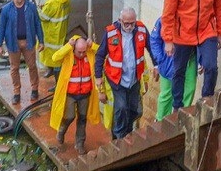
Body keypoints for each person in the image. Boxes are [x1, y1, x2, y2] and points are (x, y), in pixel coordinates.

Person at [161, 0, 221, 112]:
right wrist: (168, 40)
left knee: (211, 66)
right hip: (182, 32)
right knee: (179, 71)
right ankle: (177, 106)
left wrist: (220, 32)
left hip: (207, 31)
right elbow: (168, 11)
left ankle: (206, 100)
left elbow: (220, 7)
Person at [94, 8, 156, 140]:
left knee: (136, 110)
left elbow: (151, 48)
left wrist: (156, 65)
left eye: (132, 23)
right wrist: (98, 77)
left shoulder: (141, 30)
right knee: (121, 108)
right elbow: (100, 55)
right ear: (120, 20)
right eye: (126, 23)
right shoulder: (110, 33)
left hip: (134, 79)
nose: (130, 27)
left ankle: (127, 131)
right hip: (117, 80)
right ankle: (118, 137)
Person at [49, 36, 101, 155]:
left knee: (82, 119)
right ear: (74, 49)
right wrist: (68, 46)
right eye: (79, 52)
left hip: (85, 94)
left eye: (84, 51)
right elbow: (55, 58)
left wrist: (92, 45)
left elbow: (104, 52)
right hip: (70, 94)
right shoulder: (68, 55)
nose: (82, 54)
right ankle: (61, 131)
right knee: (69, 116)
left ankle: (80, 143)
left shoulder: (90, 54)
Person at [0, 0, 44, 105]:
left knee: (32, 66)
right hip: (13, 42)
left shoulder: (31, 7)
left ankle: (34, 89)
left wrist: (41, 41)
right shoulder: (6, 9)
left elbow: (38, 24)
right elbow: (1, 27)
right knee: (14, 68)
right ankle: (16, 92)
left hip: (29, 42)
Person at [150, 18, 198, 120]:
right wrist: (161, 60)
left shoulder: (194, 16)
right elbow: (154, 40)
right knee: (167, 94)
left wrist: (202, 60)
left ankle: (181, 119)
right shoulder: (163, 20)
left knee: (189, 90)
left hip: (190, 60)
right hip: (169, 61)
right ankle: (160, 120)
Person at [38, 0, 71, 80]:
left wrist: (39, 10)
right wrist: (46, 7)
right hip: (61, 30)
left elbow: (43, 17)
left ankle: (58, 83)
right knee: (57, 55)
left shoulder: (52, 2)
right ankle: (51, 71)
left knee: (54, 57)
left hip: (51, 33)